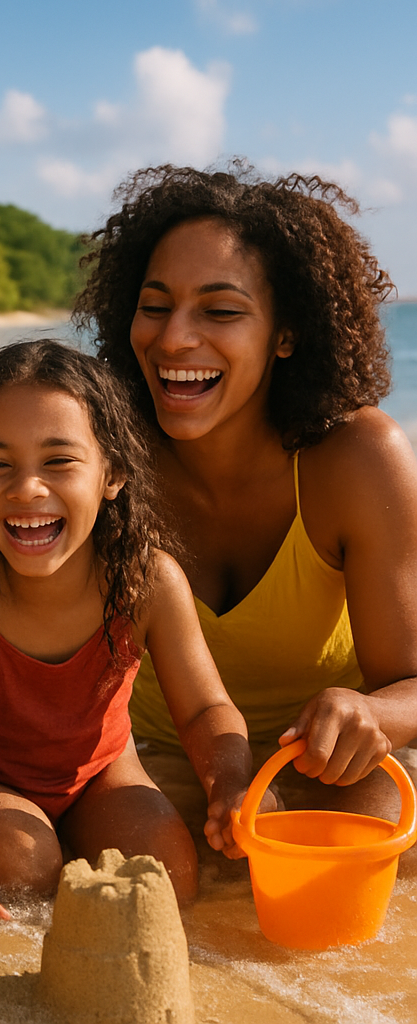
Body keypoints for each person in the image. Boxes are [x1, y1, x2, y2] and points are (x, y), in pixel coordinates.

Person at [76, 164, 417, 818]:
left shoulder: (357, 460)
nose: (174, 337)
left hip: (321, 765)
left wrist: (374, 712)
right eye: (154, 306)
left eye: (221, 310)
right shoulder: (100, 449)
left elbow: (410, 684)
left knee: (383, 822)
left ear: (286, 334)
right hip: (154, 761)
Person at [0, 340, 252, 917]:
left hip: (101, 773)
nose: (28, 489)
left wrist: (231, 783)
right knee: (24, 865)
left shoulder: (147, 579)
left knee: (167, 878)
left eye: (59, 461)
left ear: (113, 473)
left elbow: (203, 711)